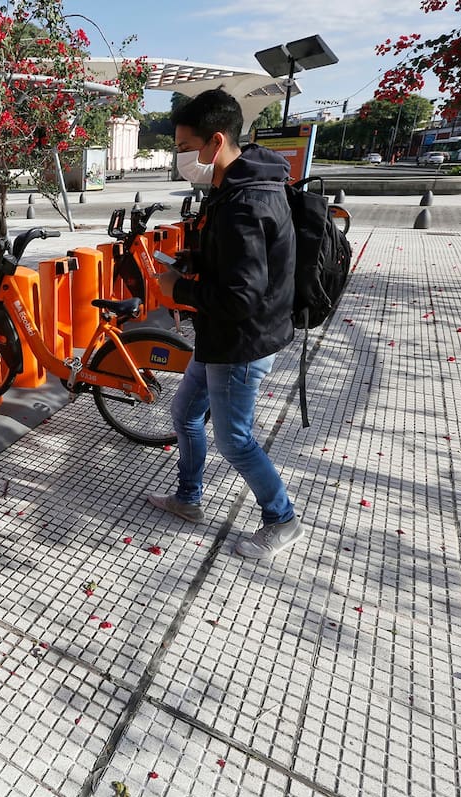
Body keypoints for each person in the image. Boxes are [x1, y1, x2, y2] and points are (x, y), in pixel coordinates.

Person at [150, 88, 302, 559]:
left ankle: (282, 519)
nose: (180, 158)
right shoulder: (236, 182)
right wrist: (192, 260)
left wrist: (179, 290)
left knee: (234, 440)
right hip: (222, 338)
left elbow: (240, 296)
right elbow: (236, 264)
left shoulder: (243, 202)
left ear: (215, 142)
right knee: (184, 413)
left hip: (242, 342)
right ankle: (188, 499)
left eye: (182, 147)